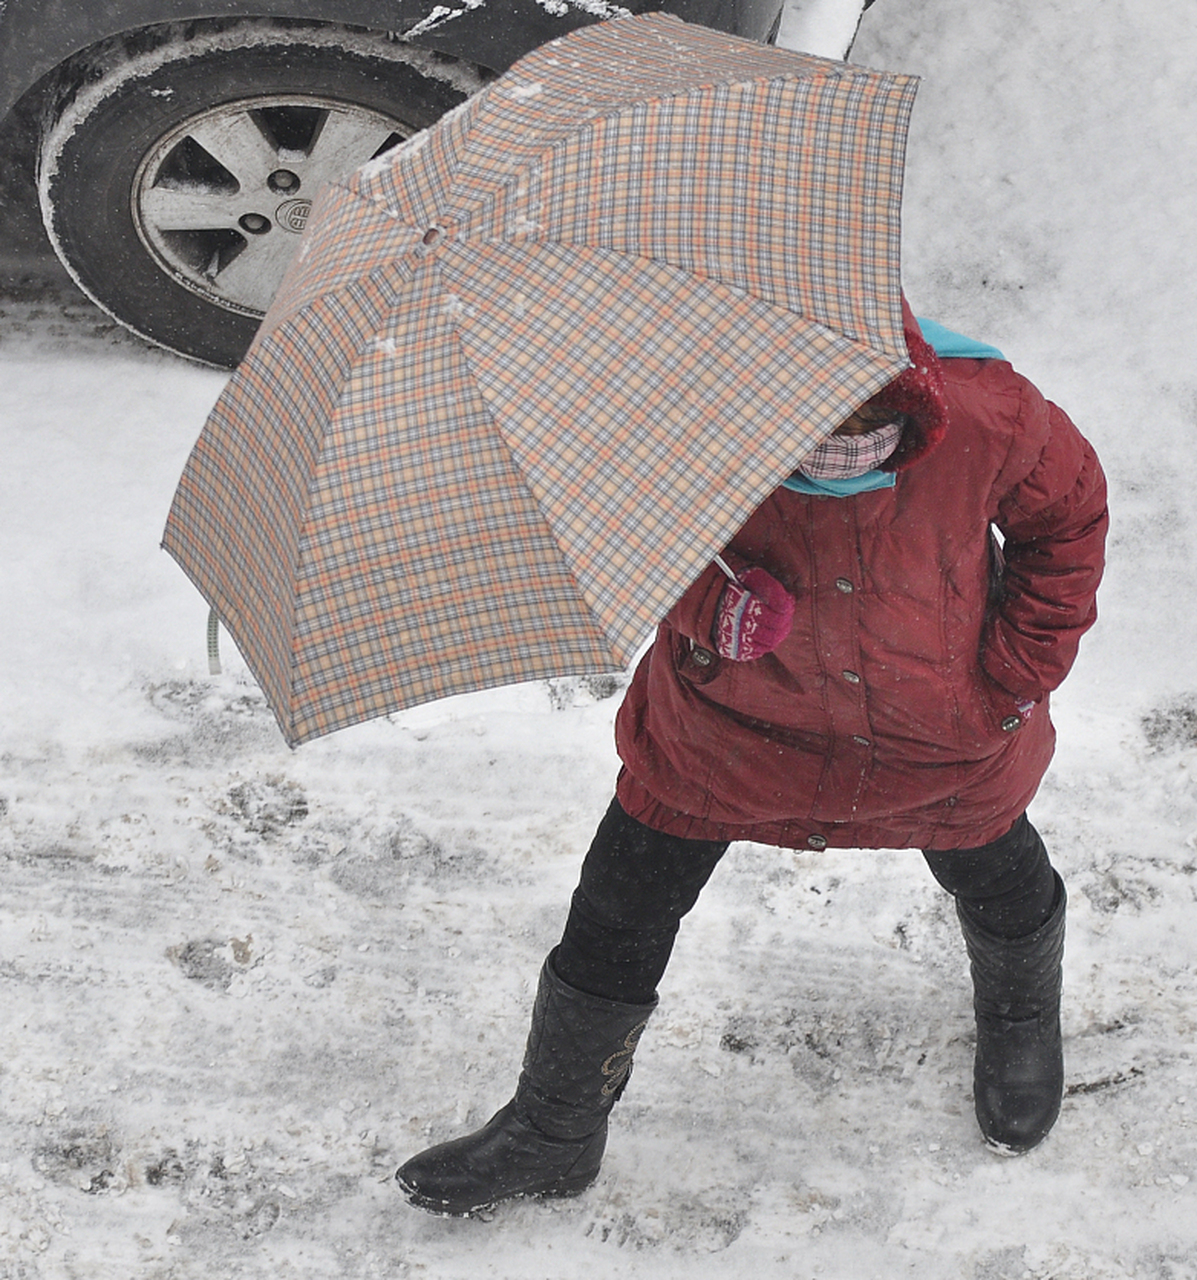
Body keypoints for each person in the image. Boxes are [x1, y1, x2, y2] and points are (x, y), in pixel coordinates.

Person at [394, 301, 1108, 1216]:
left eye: (868, 448)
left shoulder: (993, 416)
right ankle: (552, 1132)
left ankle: (1018, 1020)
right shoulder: (677, 425)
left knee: (998, 874)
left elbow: (1068, 522)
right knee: (620, 905)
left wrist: (1012, 677)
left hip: (935, 728)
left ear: (913, 411)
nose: (836, 468)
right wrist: (704, 606)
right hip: (725, 728)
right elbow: (612, 542)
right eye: (804, 457)